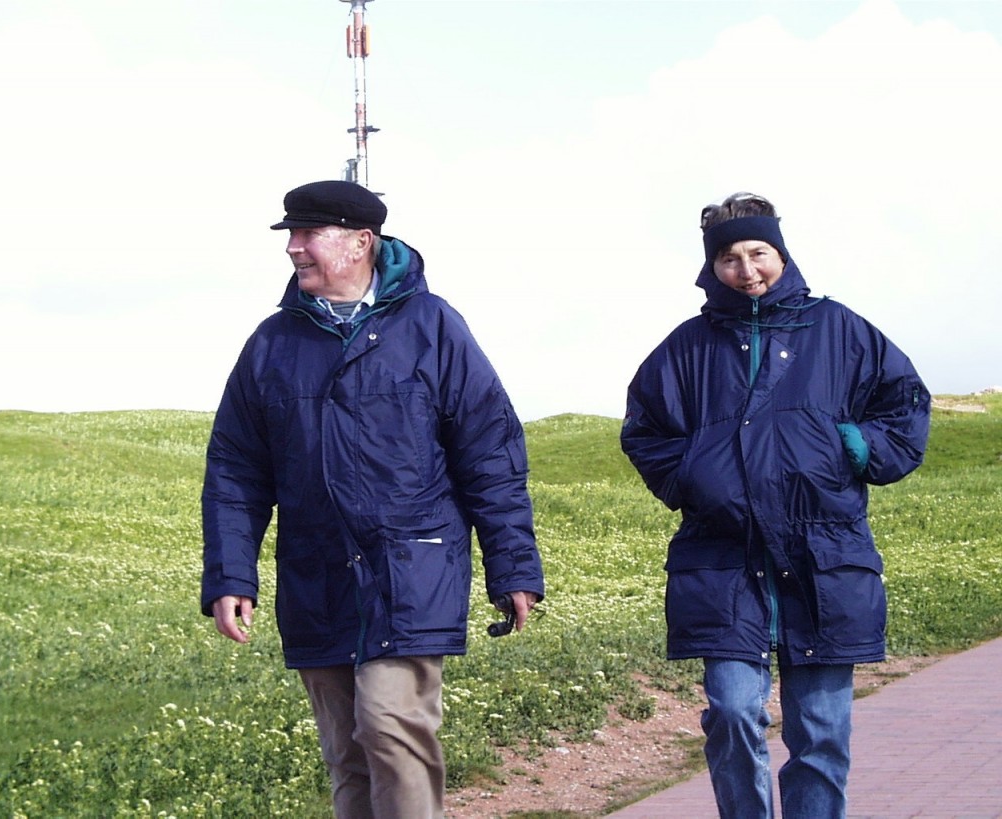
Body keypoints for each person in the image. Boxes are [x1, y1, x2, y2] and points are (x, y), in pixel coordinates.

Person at [200, 180, 545, 819]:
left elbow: (490, 454)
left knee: (390, 728)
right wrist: (229, 573)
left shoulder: (434, 326)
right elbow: (236, 472)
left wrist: (513, 566)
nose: (294, 249)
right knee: (347, 754)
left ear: (362, 242)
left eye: (308, 235)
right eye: (291, 236)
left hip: (413, 569)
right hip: (316, 572)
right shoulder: (272, 343)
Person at [620, 192, 930, 818]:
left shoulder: (840, 329)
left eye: (759, 253)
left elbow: (905, 410)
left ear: (781, 254)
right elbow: (644, 430)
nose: (747, 270)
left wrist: (853, 444)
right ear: (713, 268)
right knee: (732, 712)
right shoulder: (687, 347)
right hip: (722, 559)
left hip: (826, 557)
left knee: (819, 732)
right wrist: (693, 474)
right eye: (730, 259)